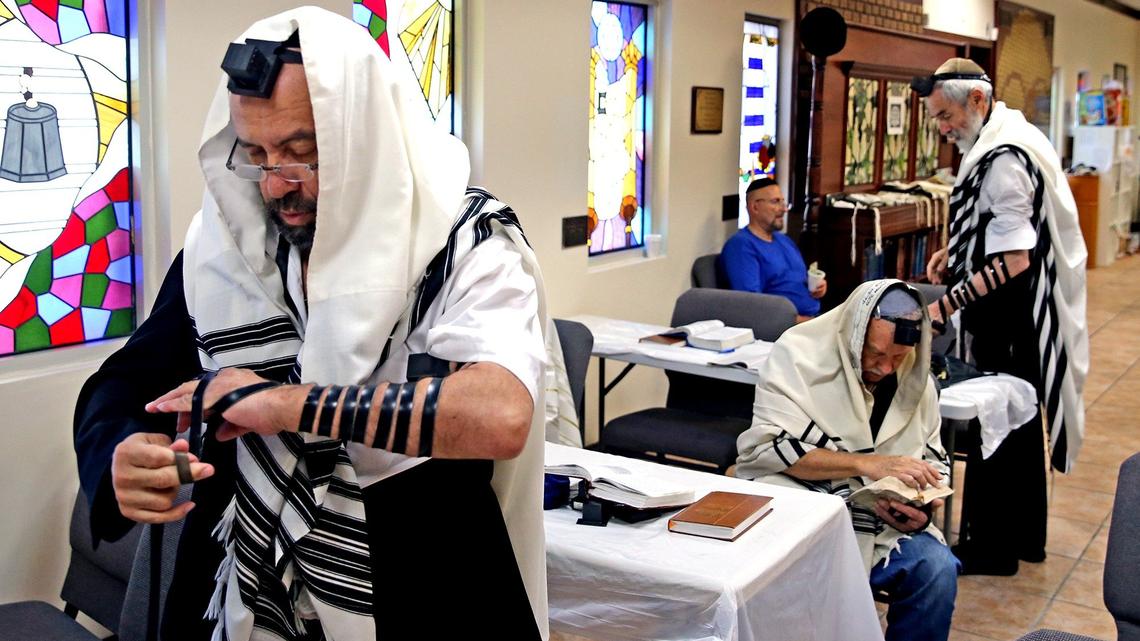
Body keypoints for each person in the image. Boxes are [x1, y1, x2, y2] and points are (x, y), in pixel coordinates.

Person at [73, 8, 549, 640]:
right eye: (257, 156)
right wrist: (119, 456)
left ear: (367, 140)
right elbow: (123, 385)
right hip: (244, 571)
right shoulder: (226, 251)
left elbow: (500, 414)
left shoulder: (464, 240)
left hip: (425, 570)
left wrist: (281, 404)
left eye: (304, 154)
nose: (277, 186)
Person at [916, 58, 1088, 575]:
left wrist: (944, 304)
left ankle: (993, 546)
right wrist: (956, 251)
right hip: (1015, 311)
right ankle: (1022, 539)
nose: (943, 129)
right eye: (936, 119)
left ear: (976, 101)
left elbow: (1014, 260)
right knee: (1017, 420)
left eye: (946, 116)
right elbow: (996, 225)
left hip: (1013, 315)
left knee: (999, 419)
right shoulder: (1005, 134)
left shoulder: (1005, 156)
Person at [736, 280, 959, 641]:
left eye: (898, 357)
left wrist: (920, 509)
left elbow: (934, 461)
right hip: (802, 505)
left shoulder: (917, 379)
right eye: (874, 354)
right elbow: (765, 448)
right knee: (793, 577)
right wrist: (865, 465)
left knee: (937, 570)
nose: (886, 368)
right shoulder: (797, 356)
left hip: (879, 524)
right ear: (854, 332)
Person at [720, 177, 827, 321]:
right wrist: (805, 322)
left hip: (814, 318)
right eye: (775, 202)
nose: (783, 209)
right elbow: (752, 304)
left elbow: (795, 280)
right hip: (786, 326)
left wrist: (817, 288)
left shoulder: (784, 240)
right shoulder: (741, 246)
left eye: (783, 202)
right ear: (754, 207)